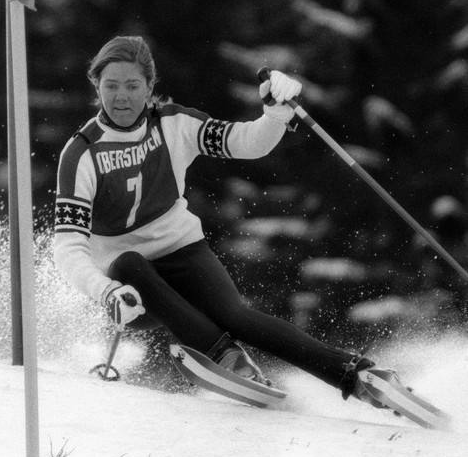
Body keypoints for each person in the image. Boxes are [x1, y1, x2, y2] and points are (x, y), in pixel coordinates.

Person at [54, 35, 385, 407]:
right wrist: (105, 290)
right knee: (130, 262)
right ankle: (227, 357)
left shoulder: (173, 123)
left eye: (132, 86)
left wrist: (275, 116)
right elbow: (67, 244)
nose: (121, 97)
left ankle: (355, 374)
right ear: (96, 85)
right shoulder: (82, 153)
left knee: (235, 315)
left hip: (182, 251)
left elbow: (246, 143)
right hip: (130, 291)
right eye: (110, 86)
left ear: (150, 86)